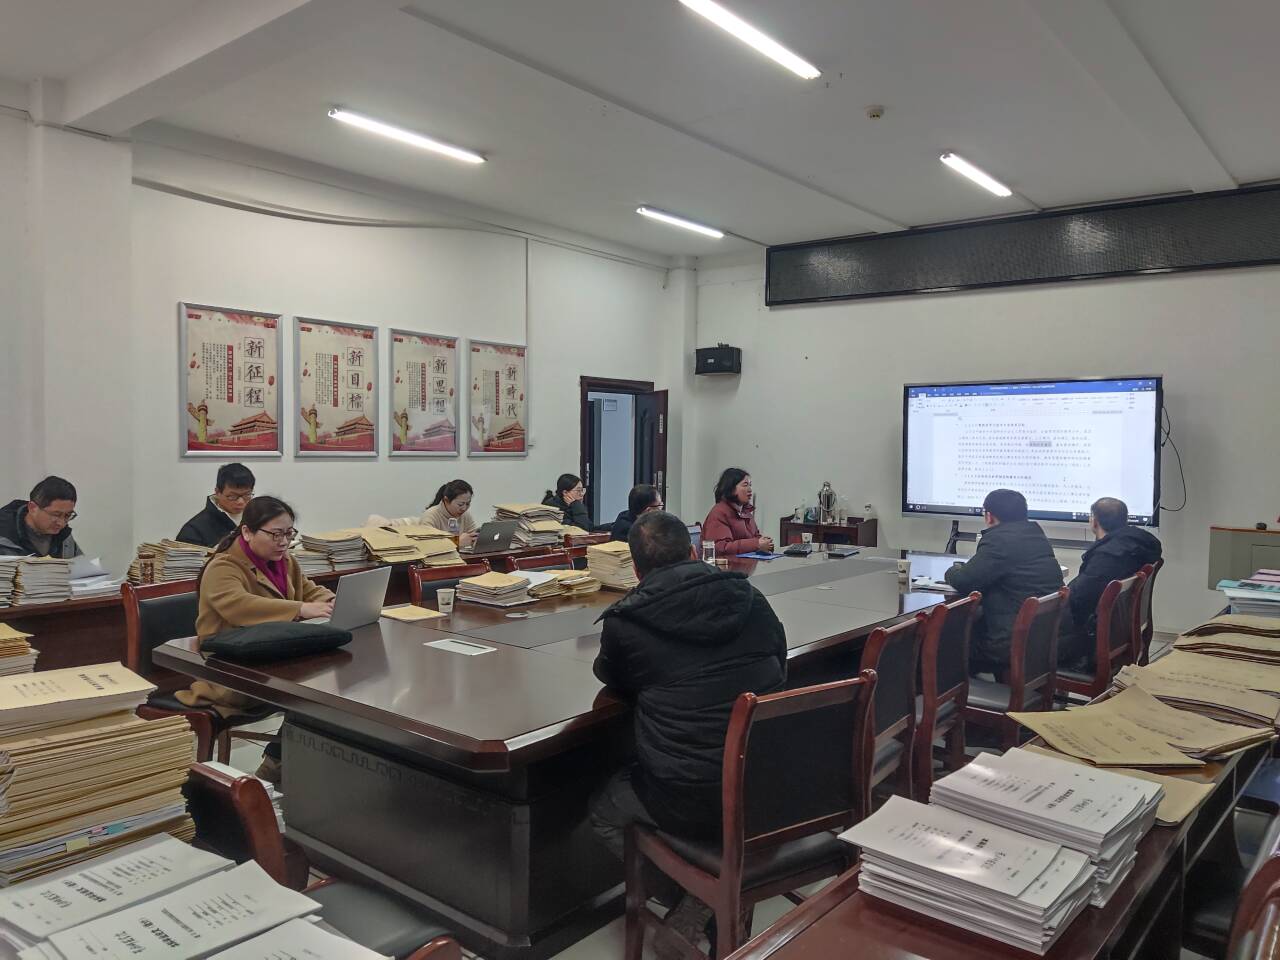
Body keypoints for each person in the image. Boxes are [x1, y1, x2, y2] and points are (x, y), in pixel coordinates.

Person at [589, 511, 786, 946]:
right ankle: (713, 894)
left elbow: (613, 677)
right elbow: (779, 665)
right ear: (695, 552)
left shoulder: (628, 621)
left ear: (635, 570)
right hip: (767, 780)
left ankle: (697, 896)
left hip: (689, 796)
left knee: (604, 811)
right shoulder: (750, 597)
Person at [176, 495, 334, 783]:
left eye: (289, 534)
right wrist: (299, 609)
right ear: (247, 532)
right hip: (230, 674)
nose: (283, 542)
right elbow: (240, 606)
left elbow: (311, 590)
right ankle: (276, 770)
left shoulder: (285, 562)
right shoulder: (223, 567)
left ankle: (285, 769)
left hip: (273, 663)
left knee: (326, 695)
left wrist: (335, 602)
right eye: (275, 534)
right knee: (319, 697)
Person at [943, 489, 1064, 676]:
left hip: (1009, 644)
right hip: (1042, 640)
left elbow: (964, 581)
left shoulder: (999, 540)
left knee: (940, 643)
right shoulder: (1036, 534)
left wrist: (952, 570)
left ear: (989, 516)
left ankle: (940, 692)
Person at [1059, 497, 1163, 668]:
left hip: (1095, 642)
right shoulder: (1138, 546)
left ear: (1094, 521)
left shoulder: (1108, 557)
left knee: (1038, 638)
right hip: (1120, 633)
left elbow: (1080, 599)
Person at [176, 463, 256, 548]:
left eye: (247, 495)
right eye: (232, 496)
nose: (240, 502)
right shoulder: (194, 530)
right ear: (217, 492)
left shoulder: (257, 517)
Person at [0, 476, 83, 558]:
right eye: (56, 515)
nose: (61, 523)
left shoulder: (64, 537)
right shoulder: (4, 538)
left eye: (67, 515)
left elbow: (81, 564)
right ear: (32, 508)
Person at [702, 467, 774, 556]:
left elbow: (755, 537)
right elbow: (721, 548)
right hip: (726, 564)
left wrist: (765, 543)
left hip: (745, 562)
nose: (750, 489)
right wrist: (757, 544)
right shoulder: (719, 513)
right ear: (731, 488)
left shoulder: (745, 511)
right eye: (745, 485)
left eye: (750, 485)